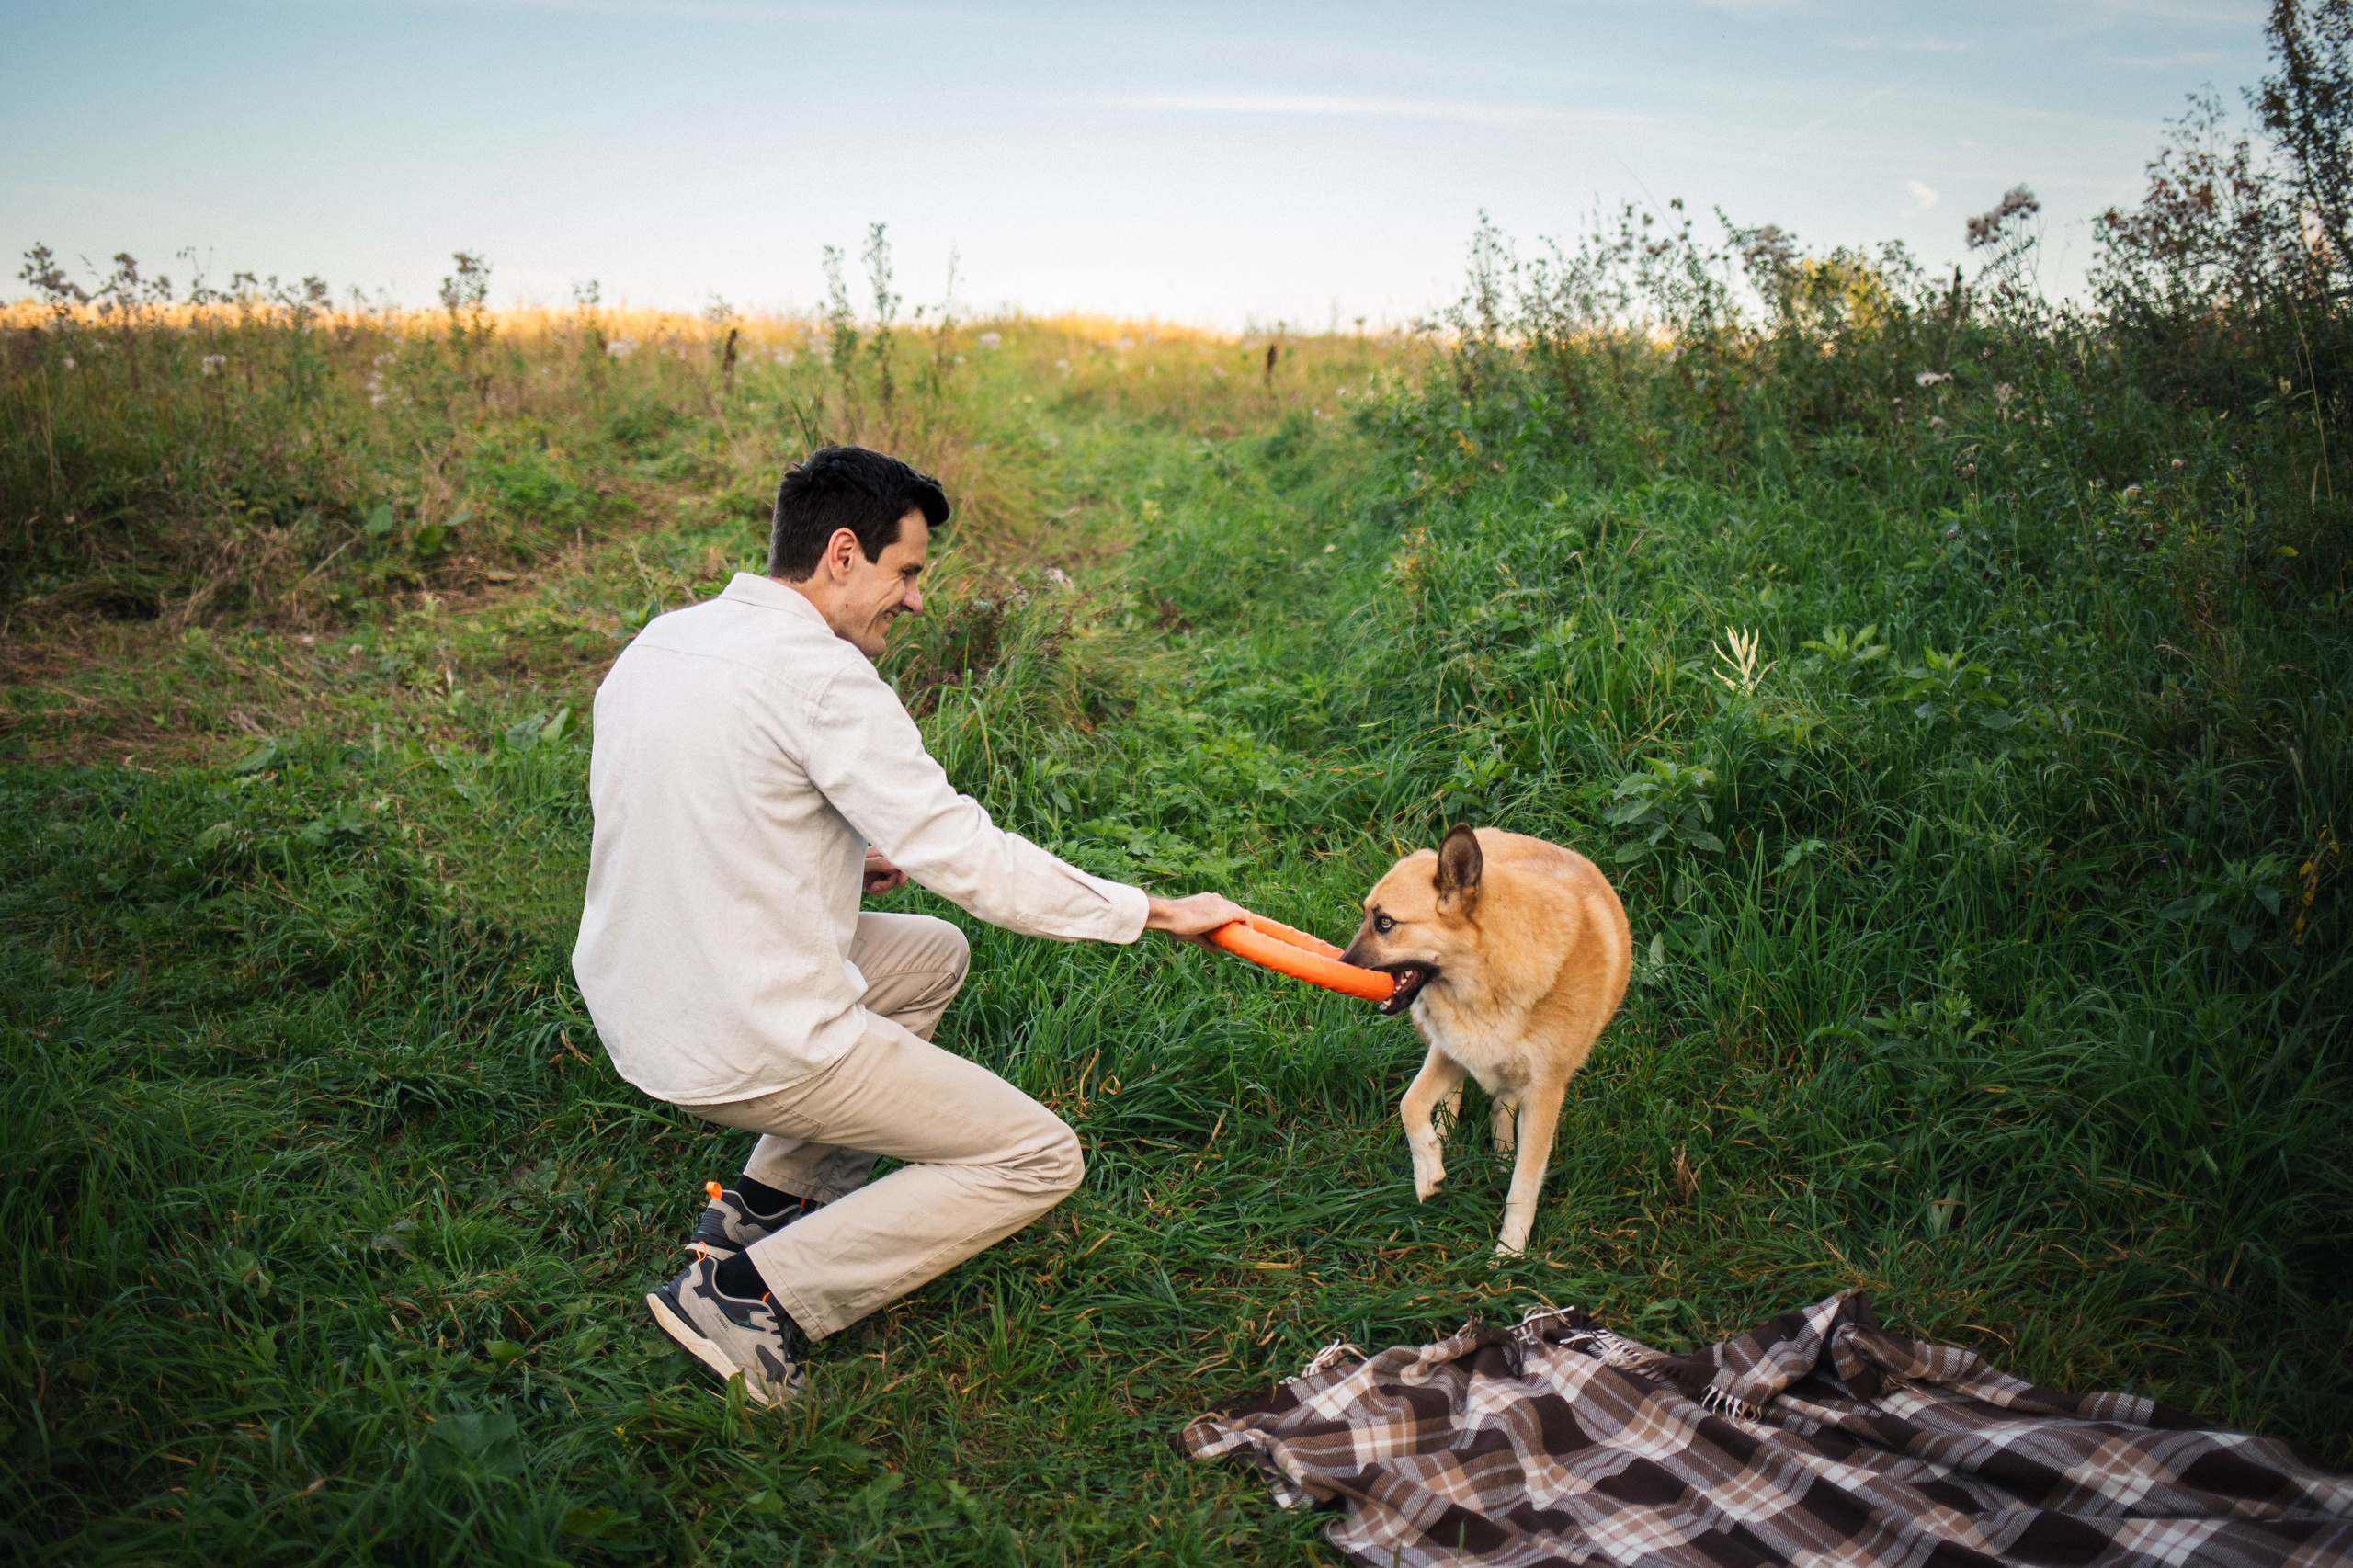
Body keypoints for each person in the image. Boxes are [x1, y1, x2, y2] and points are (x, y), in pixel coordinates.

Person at [572, 445, 1245, 1405]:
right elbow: (967, 856)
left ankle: (760, 1208)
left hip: (640, 999)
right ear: (843, 553)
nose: (917, 599)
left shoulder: (665, 640)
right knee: (1038, 1154)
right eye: (909, 570)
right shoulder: (823, 676)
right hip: (745, 1035)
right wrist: (1153, 910)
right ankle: (748, 1293)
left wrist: (847, 857)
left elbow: (694, 811)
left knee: (929, 956)